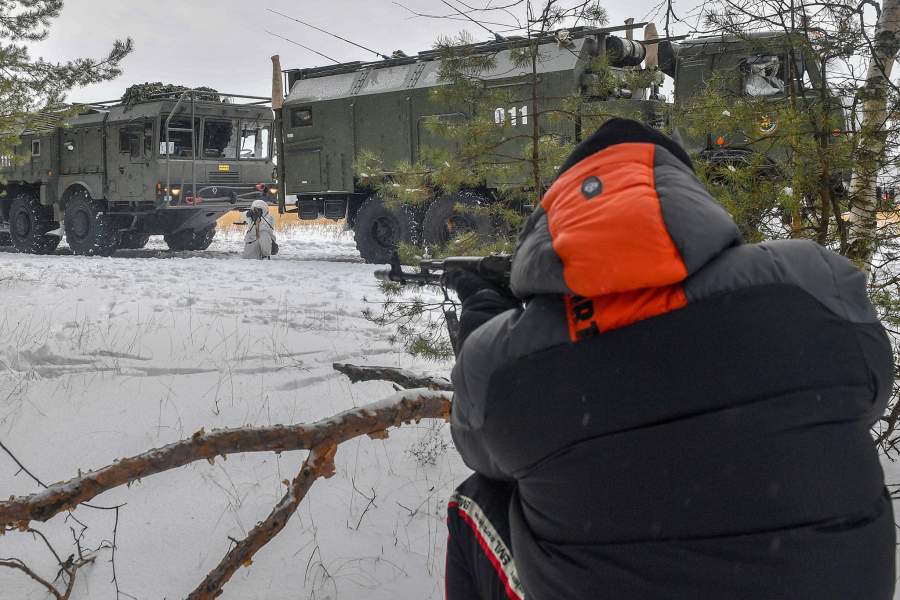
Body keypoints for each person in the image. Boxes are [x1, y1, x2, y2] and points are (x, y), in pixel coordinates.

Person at [444, 118, 895, 600]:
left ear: (558, 215)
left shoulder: (502, 359)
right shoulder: (810, 279)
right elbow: (871, 391)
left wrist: (490, 320)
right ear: (688, 195)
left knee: (477, 497)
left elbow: (481, 442)